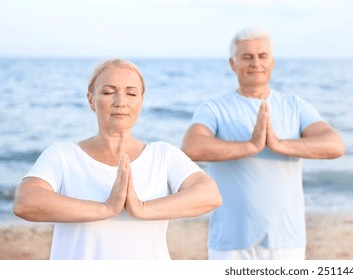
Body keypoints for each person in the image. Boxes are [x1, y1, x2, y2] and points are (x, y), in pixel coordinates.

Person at [12, 58, 222, 260]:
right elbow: (26, 202)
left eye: (131, 93)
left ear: (141, 101)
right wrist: (106, 208)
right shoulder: (63, 155)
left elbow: (209, 195)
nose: (120, 102)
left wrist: (141, 208)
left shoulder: (163, 154)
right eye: (108, 92)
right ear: (91, 100)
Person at [181, 27, 345, 260]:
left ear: (272, 62)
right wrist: (250, 146)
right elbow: (192, 146)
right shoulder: (214, 108)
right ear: (232, 63)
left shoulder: (295, 106)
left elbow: (334, 145)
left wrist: (278, 144)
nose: (255, 63)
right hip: (230, 241)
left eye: (262, 56)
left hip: (286, 240)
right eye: (247, 56)